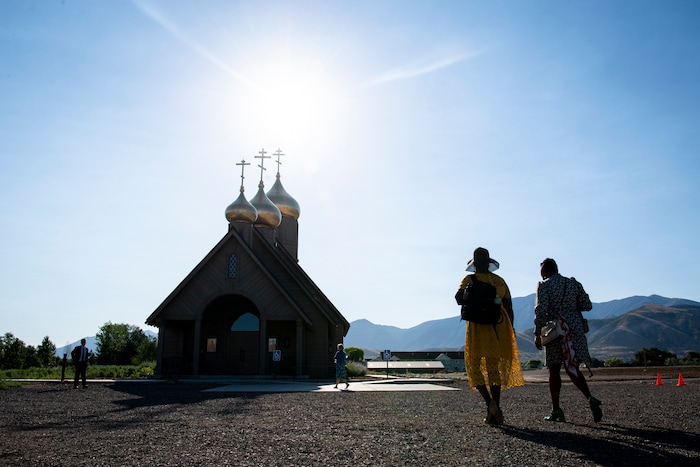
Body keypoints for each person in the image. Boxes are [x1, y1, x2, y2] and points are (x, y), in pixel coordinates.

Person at [456, 247, 524, 425]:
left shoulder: (469, 279)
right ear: (489, 262)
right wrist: (512, 330)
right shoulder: (499, 281)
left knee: (474, 366)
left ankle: (490, 404)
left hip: (477, 328)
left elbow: (458, 298)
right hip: (497, 327)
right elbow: (509, 307)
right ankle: (496, 409)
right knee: (494, 369)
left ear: (474, 263)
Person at [534, 258, 602, 423]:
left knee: (554, 370)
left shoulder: (544, 286)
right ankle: (590, 398)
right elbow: (587, 305)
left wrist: (537, 333)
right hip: (574, 328)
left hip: (556, 331)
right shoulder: (573, 283)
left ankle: (556, 409)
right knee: (572, 367)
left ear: (544, 271)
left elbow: (541, 310)